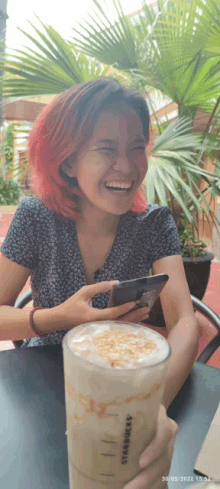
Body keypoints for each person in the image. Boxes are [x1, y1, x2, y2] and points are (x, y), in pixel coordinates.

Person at [0, 77, 197, 488]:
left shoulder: (154, 224)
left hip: (125, 383)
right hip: (43, 385)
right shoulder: (36, 218)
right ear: (68, 161)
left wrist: (148, 409)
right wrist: (55, 317)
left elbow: (184, 323)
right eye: (106, 149)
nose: (127, 166)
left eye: (136, 147)